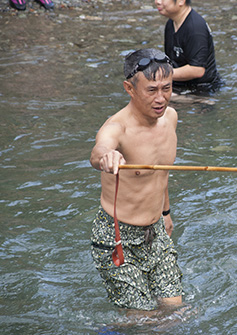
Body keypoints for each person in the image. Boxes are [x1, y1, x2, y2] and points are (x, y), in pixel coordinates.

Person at [89, 48, 183, 311]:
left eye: (167, 88)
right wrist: (106, 157)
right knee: (144, 322)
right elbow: (98, 152)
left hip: (156, 232)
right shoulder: (117, 128)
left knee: (174, 311)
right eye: (151, 90)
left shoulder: (171, 118)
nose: (161, 98)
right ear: (129, 89)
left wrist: (166, 212)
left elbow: (161, 172)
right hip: (117, 238)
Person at [155, 0, 222, 94]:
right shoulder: (171, 23)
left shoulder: (195, 28)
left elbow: (197, 70)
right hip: (179, 86)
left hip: (202, 90)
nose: (157, 2)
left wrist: (161, 75)